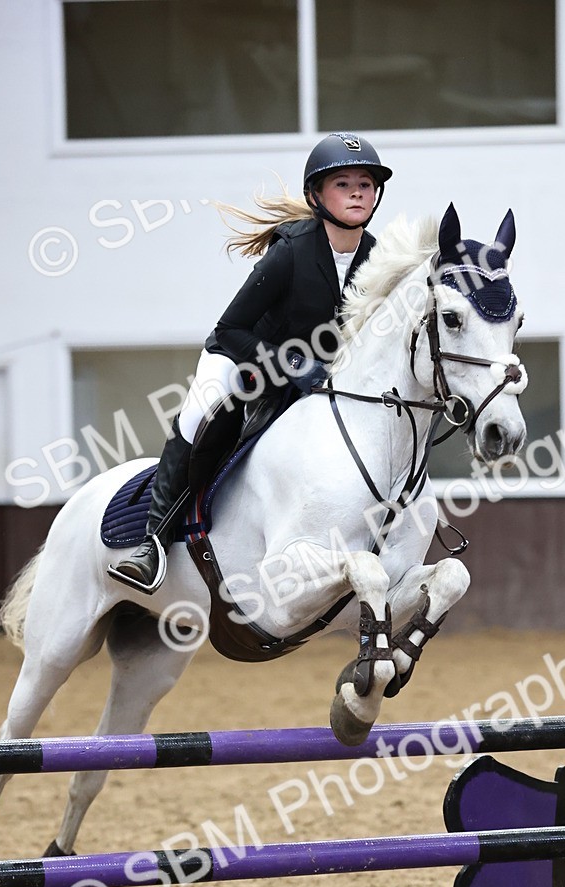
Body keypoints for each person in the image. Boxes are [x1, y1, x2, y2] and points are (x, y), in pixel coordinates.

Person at [109, 132, 393, 593]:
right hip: (242, 358)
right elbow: (229, 328)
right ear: (316, 197)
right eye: (343, 184)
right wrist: (290, 363)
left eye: (365, 184)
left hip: (315, 376)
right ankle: (152, 542)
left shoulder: (378, 259)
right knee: (199, 416)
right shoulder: (291, 251)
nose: (357, 192)